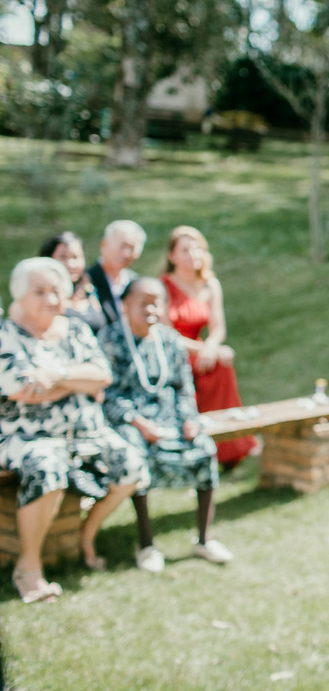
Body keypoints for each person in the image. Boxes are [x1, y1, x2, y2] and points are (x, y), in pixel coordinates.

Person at [0, 258, 147, 602]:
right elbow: (20, 389)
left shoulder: (75, 329)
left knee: (131, 464)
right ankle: (29, 566)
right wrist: (77, 380)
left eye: (56, 291)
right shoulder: (5, 335)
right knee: (48, 468)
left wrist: (56, 377)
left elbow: (103, 375)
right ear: (19, 296)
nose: (51, 300)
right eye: (40, 292)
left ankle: (86, 536)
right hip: (27, 437)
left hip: (87, 434)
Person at [99, 278, 233, 572]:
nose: (150, 309)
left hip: (170, 417)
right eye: (143, 302)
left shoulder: (169, 339)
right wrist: (138, 422)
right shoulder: (110, 340)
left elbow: (183, 386)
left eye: (156, 302)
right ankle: (146, 544)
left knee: (204, 448)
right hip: (130, 421)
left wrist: (189, 420)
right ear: (126, 305)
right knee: (137, 456)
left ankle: (203, 538)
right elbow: (106, 395)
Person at [159, 226, 255, 469]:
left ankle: (229, 446)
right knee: (211, 363)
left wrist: (212, 347)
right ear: (172, 256)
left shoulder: (210, 285)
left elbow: (218, 328)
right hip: (173, 353)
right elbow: (166, 334)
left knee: (222, 364)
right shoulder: (163, 287)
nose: (193, 254)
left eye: (198, 249)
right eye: (185, 250)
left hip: (201, 349)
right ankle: (194, 444)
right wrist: (203, 351)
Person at [39, 232, 106, 333]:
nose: (71, 264)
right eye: (63, 257)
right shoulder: (42, 296)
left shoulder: (90, 290)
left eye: (75, 257)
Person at [86, 220, 146, 328]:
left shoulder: (135, 283)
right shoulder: (87, 280)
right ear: (104, 245)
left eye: (132, 248)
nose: (126, 253)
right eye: (122, 246)